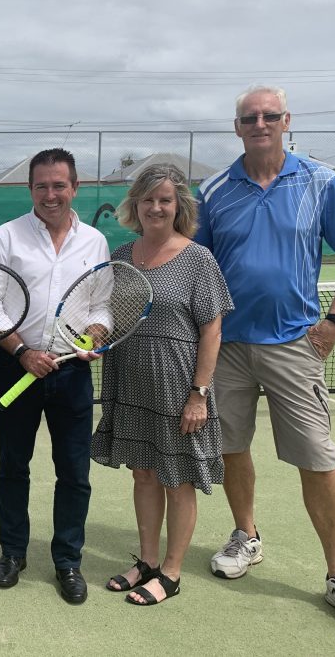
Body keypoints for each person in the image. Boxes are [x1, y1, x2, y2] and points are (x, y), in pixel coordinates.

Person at [196, 85, 335, 637]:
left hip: (294, 348)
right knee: (231, 449)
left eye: (269, 116)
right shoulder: (213, 190)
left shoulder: (322, 182)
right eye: (249, 117)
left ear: (286, 121)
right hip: (225, 349)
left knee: (317, 459)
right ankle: (245, 535)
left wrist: (334, 323)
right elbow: (197, 265)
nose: (259, 123)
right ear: (236, 128)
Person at [90, 164, 232, 605]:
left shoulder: (197, 258)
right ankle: (148, 561)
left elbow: (212, 329)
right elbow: (109, 318)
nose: (155, 207)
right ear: (135, 205)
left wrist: (199, 393)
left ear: (179, 206)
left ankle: (171, 573)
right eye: (147, 199)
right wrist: (94, 337)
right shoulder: (121, 255)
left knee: (177, 479)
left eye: (165, 200)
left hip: (178, 387)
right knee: (144, 473)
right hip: (129, 381)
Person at [0, 148, 109, 604]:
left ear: (74, 187)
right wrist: (22, 350)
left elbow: (101, 305)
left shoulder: (94, 242)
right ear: (30, 189)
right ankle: (12, 552)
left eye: (59, 185)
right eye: (41, 186)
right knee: (13, 467)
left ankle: (67, 560)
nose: (50, 194)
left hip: (72, 374)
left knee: (74, 473)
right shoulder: (6, 238)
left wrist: (94, 334)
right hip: (17, 367)